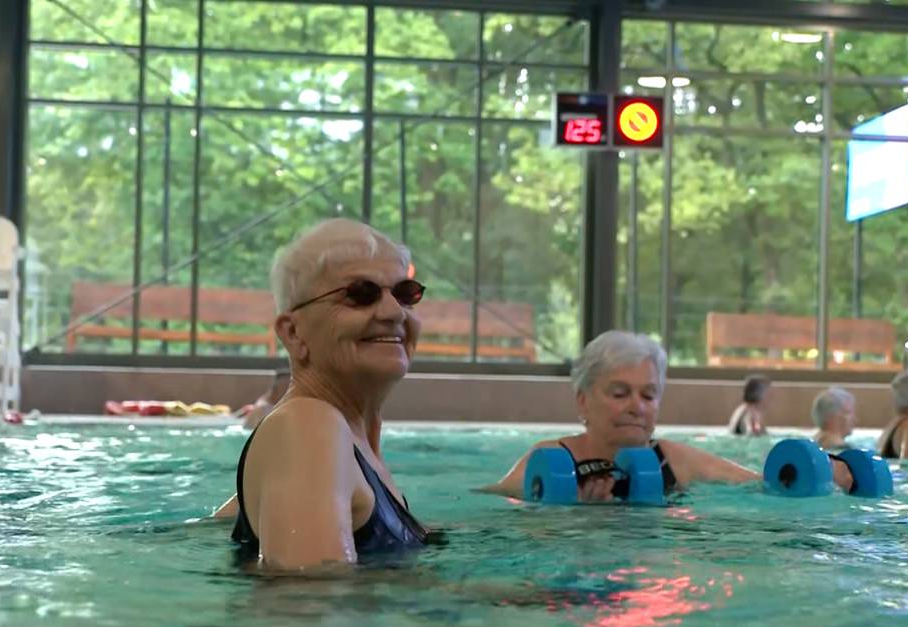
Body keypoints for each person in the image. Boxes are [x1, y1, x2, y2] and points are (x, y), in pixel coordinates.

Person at [213, 218, 430, 570]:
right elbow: (310, 593)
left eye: (405, 294)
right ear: (294, 333)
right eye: (360, 294)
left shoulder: (343, 447)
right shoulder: (307, 426)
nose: (394, 312)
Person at [483, 331, 761, 500]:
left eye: (648, 396)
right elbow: (486, 511)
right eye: (619, 393)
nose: (637, 407)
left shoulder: (673, 461)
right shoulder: (548, 461)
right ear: (583, 401)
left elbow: (763, 486)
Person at [811, 387, 856, 451]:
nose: (854, 419)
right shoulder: (849, 453)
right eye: (848, 413)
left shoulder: (807, 448)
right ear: (832, 417)